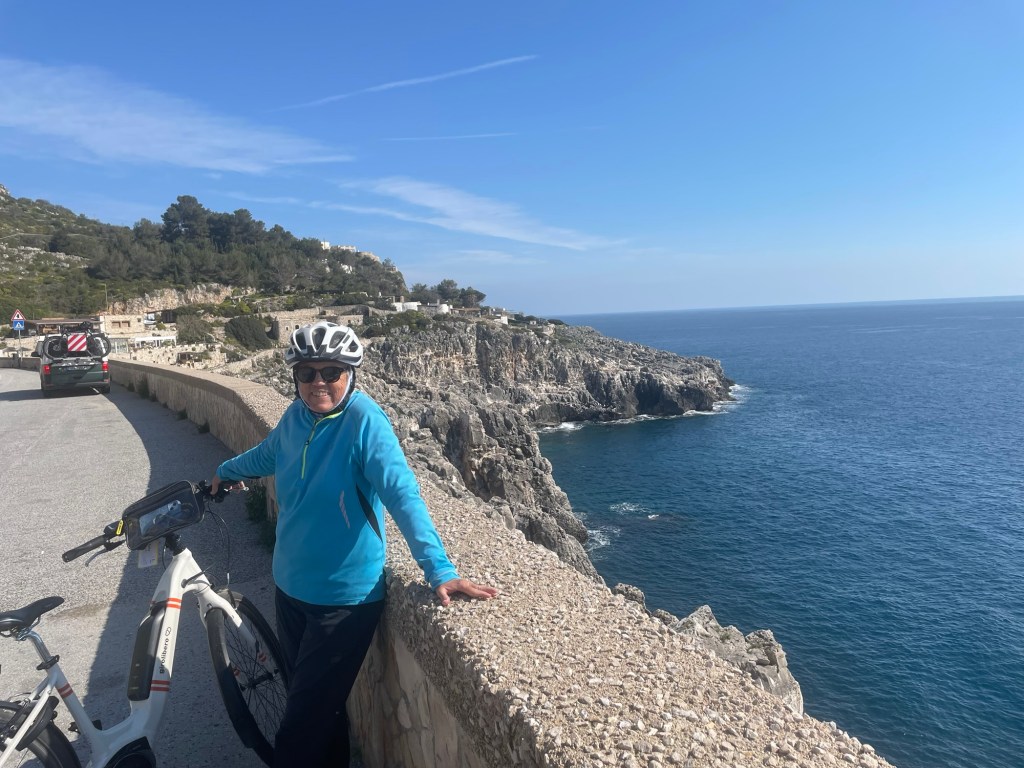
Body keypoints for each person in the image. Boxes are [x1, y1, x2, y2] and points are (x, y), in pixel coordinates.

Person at [210, 320, 498, 767]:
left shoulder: (365, 421)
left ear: (350, 373)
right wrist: (225, 472)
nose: (318, 382)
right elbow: (267, 455)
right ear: (295, 376)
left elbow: (402, 495)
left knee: (298, 732)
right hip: (290, 589)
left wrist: (439, 569)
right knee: (319, 716)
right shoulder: (295, 416)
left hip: (343, 602)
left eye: (332, 372)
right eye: (307, 373)